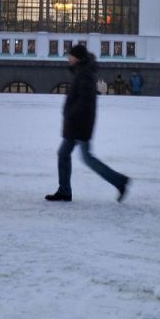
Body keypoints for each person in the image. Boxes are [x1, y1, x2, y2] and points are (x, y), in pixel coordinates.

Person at [46, 44, 130, 203]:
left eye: (70, 56)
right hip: (75, 124)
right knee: (64, 154)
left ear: (77, 58)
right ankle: (64, 191)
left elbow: (86, 103)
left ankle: (120, 181)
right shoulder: (82, 72)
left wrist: (70, 113)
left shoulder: (84, 75)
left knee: (87, 159)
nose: (68, 58)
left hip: (80, 125)